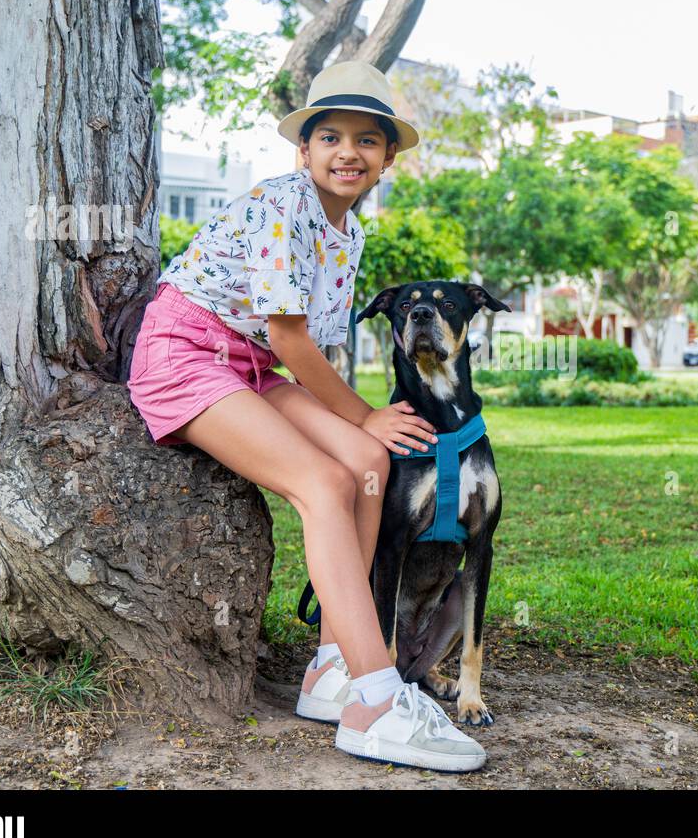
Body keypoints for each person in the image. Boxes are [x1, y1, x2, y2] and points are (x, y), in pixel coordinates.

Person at [126, 61, 486, 773]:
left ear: (388, 157)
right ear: (304, 150)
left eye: (367, 140)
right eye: (330, 137)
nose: (348, 152)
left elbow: (304, 350)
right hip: (185, 355)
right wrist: (363, 413)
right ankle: (376, 702)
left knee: (370, 462)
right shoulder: (280, 204)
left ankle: (331, 667)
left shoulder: (348, 234)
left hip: (253, 368)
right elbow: (289, 337)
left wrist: (364, 429)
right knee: (324, 483)